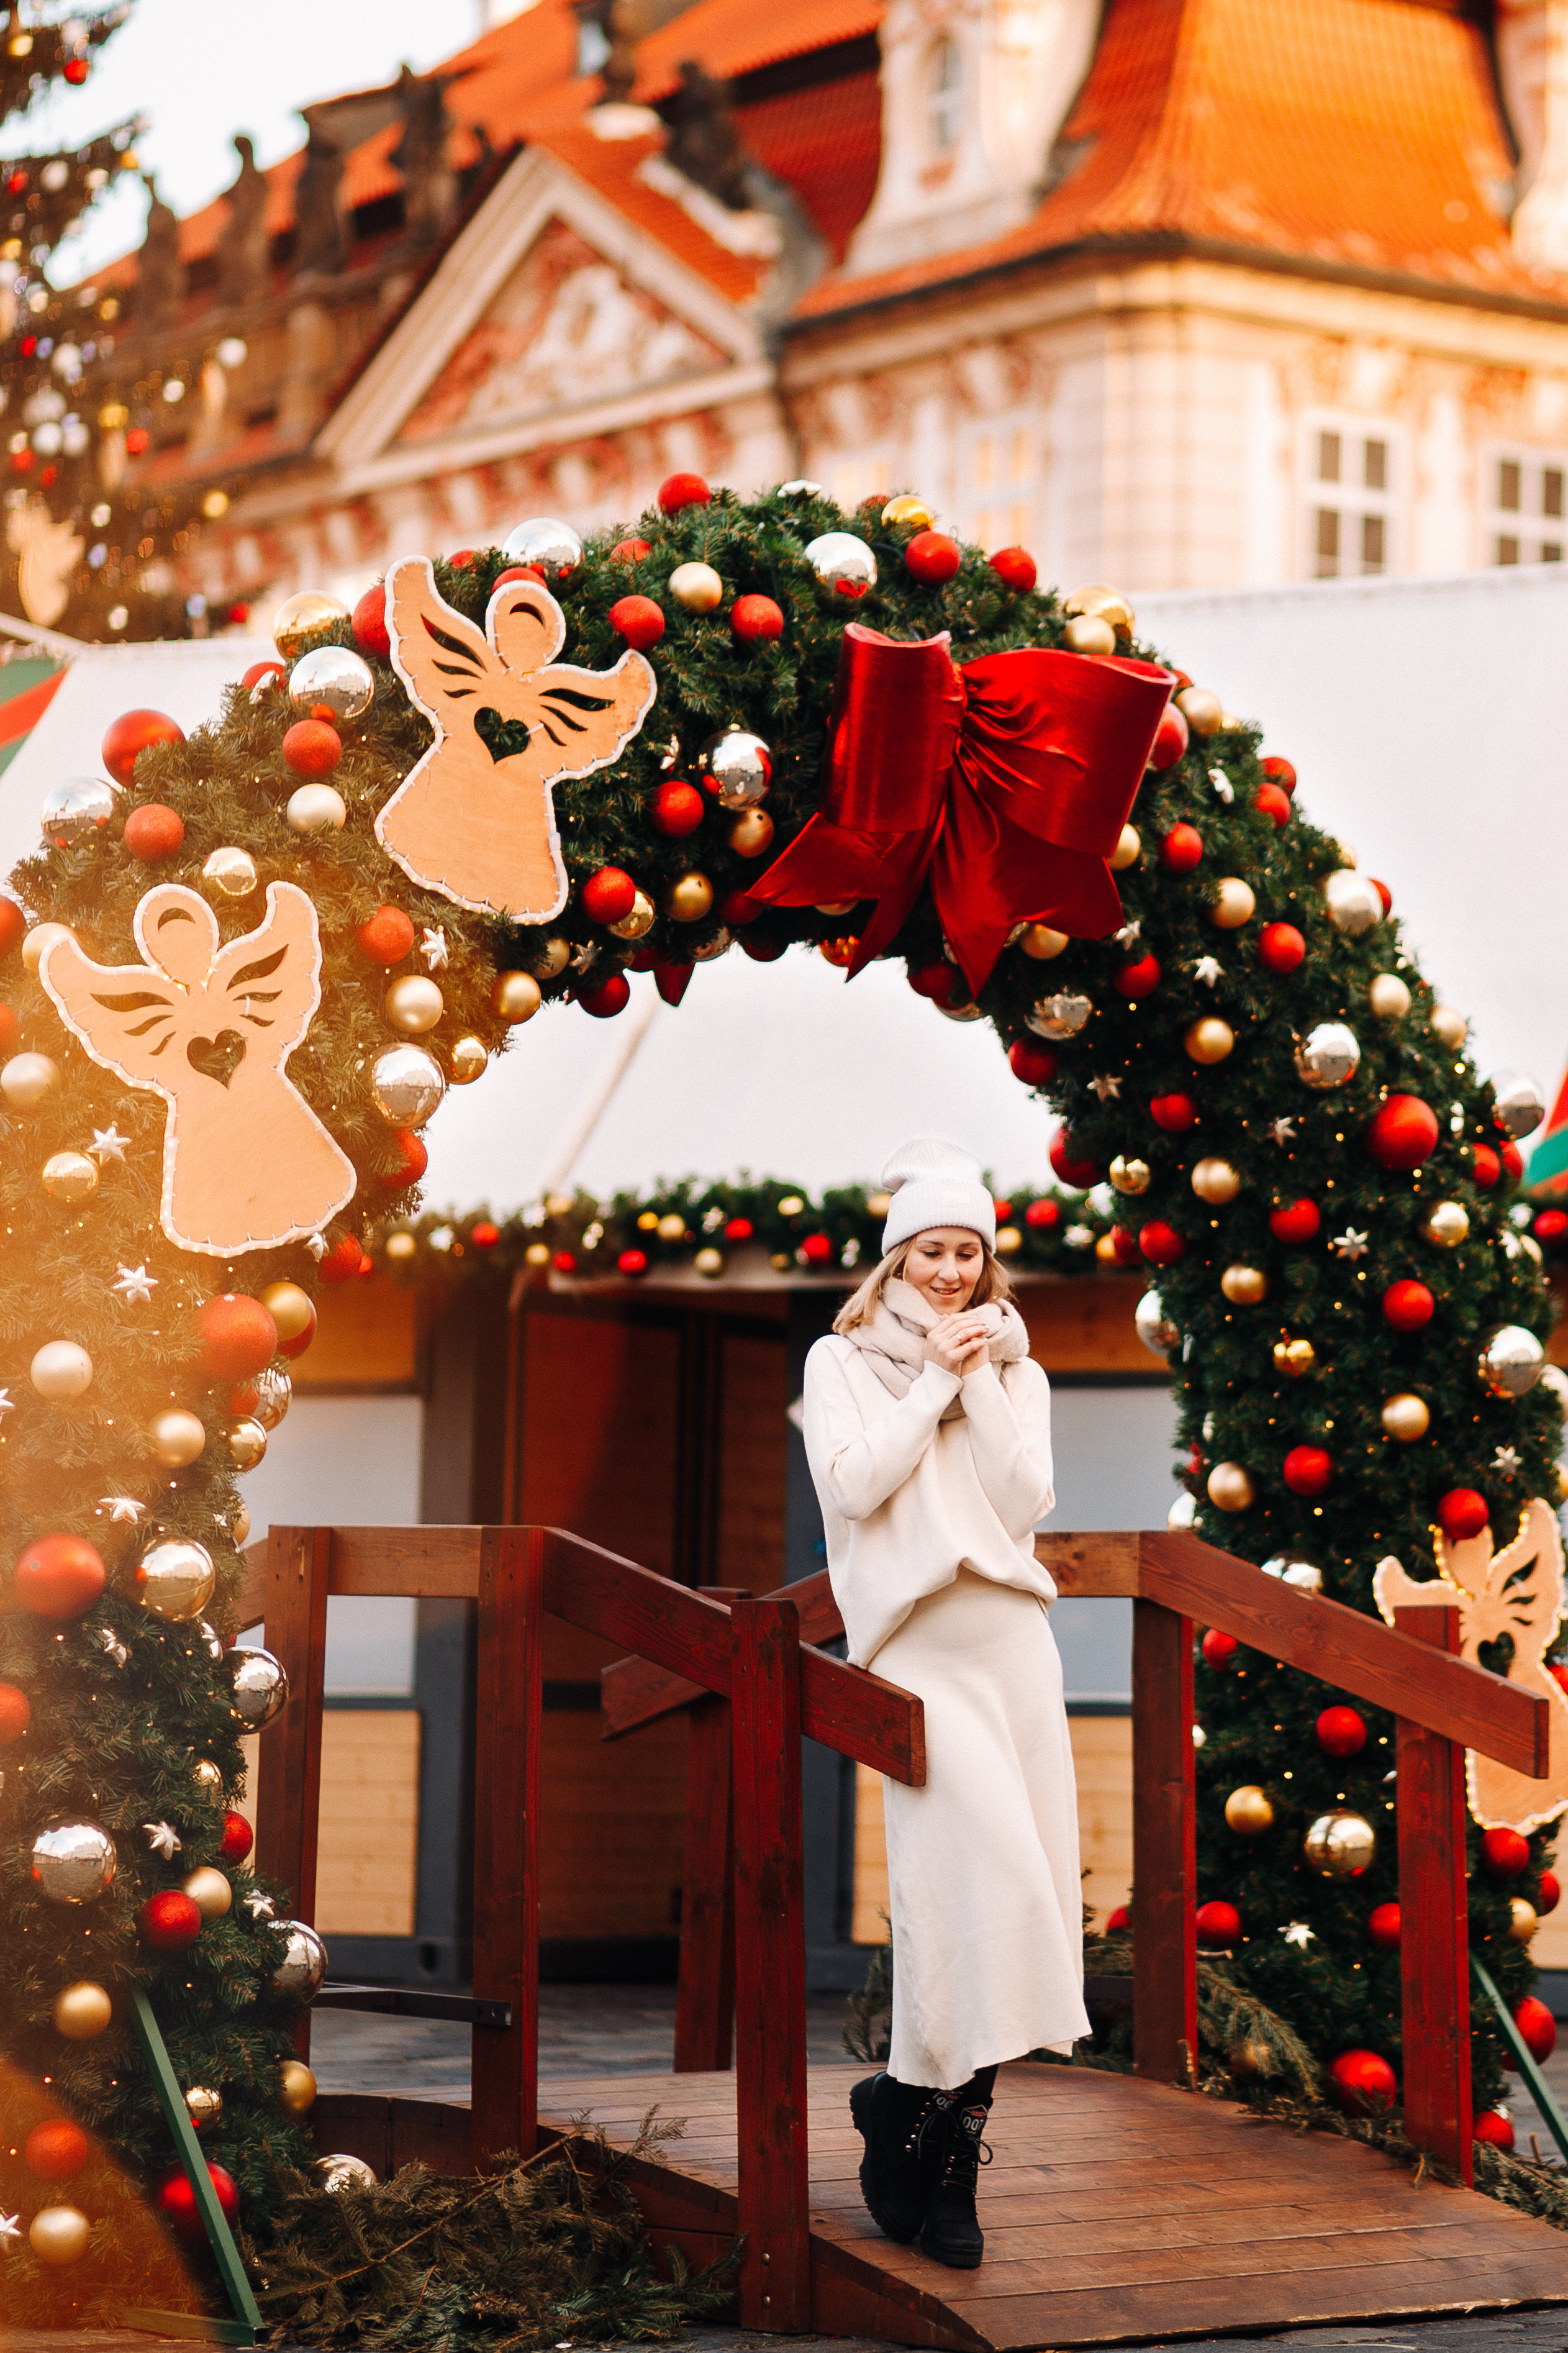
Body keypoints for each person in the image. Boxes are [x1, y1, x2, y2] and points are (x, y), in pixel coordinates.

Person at [802, 1137, 1087, 2269]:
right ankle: (906, 2109)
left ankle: (937, 2144)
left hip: (1012, 1641)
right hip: (916, 1646)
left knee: (1018, 1905)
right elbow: (854, 1486)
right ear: (895, 1260)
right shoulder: (844, 1365)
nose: (951, 1272)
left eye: (968, 1251)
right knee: (964, 1889)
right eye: (930, 1251)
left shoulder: (1016, 1371)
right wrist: (930, 1382)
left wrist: (981, 1381)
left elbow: (1024, 1502)